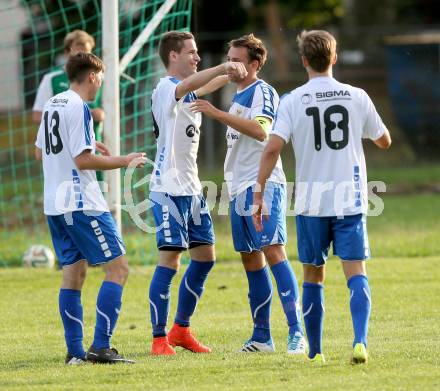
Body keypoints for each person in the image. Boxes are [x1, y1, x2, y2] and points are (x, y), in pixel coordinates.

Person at [253, 30, 391, 364]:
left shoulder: (293, 100)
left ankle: (315, 352)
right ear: (334, 57)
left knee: (314, 273)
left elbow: (272, 147)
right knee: (355, 270)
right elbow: (384, 140)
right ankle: (359, 342)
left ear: (303, 61)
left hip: (312, 202)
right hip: (350, 198)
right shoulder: (356, 95)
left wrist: (259, 191)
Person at [190, 34, 306, 354]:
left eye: (237, 59)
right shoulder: (237, 94)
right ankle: (261, 337)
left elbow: (261, 130)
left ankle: (297, 332)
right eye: (229, 57)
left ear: (255, 64)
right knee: (251, 260)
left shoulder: (262, 91)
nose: (231, 64)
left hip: (263, 184)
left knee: (273, 251)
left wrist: (215, 113)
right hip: (238, 187)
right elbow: (197, 89)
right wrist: (222, 74)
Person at [35, 52, 146, 364]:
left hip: (55, 204)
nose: (101, 84)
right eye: (101, 78)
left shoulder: (53, 103)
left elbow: (40, 151)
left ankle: (75, 353)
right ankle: (100, 346)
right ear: (93, 76)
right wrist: (125, 161)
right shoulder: (79, 107)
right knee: (119, 268)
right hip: (81, 203)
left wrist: (83, 144)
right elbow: (83, 161)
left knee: (73, 275)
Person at [148, 31, 247, 355]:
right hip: (167, 190)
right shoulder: (166, 89)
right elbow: (191, 85)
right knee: (171, 260)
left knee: (205, 258)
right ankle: (158, 338)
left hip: (191, 189)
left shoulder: (188, 95)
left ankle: (181, 329)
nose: (196, 57)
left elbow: (202, 87)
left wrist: (230, 72)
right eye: (191, 52)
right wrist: (223, 67)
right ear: (173, 56)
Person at [32, 30, 104, 142]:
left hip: (93, 150)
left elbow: (110, 113)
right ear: (67, 52)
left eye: (87, 53)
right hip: (64, 150)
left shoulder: (99, 78)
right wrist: (79, 115)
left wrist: (100, 115)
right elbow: (37, 116)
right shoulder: (52, 79)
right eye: (79, 53)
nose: (83, 58)